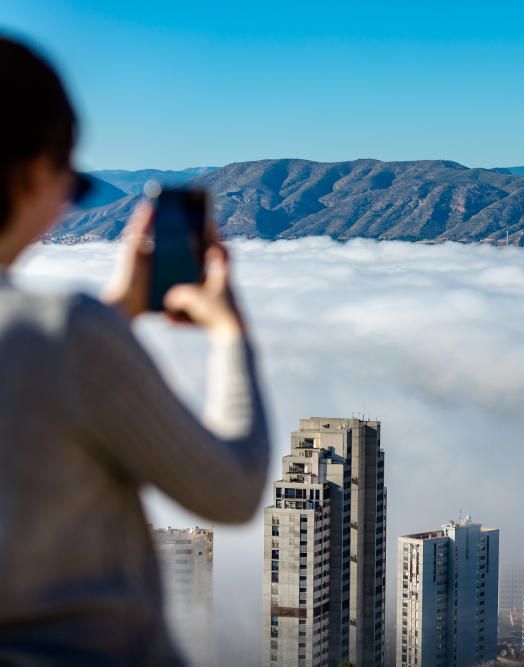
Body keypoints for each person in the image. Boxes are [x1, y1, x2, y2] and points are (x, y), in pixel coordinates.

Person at [0, 38, 270, 665]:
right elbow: (231, 491)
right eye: (71, 183)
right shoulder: (66, 334)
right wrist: (231, 333)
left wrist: (116, 307)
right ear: (39, 169)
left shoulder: (66, 337)